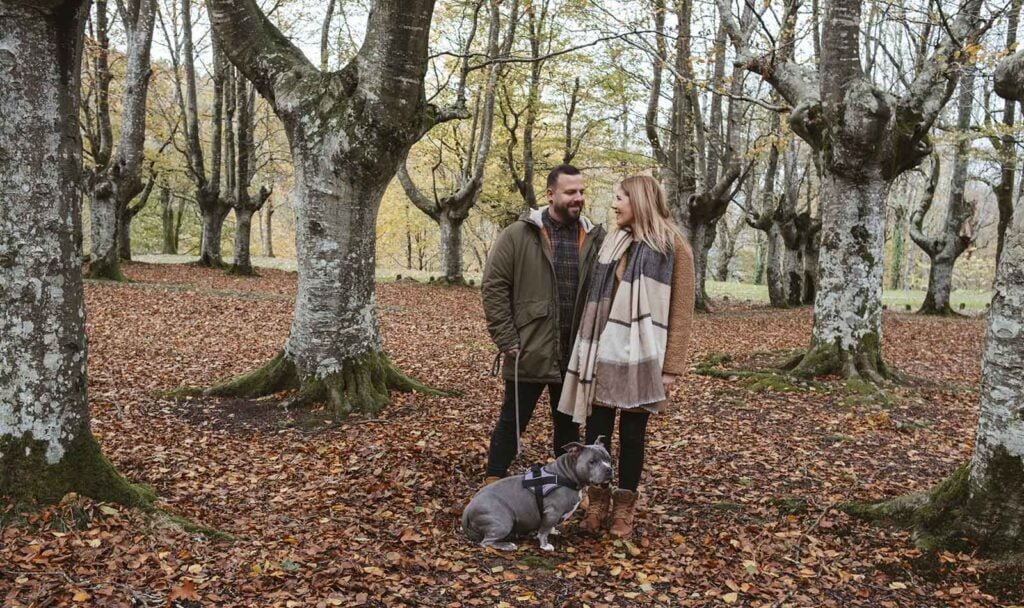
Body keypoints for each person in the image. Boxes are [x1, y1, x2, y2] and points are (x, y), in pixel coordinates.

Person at [558, 175, 695, 538]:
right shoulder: (613, 243)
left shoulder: (674, 247)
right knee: (598, 433)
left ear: (638, 201)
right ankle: (596, 503)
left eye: (619, 198)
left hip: (642, 360)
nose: (614, 204)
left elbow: (681, 313)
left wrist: (672, 368)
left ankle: (623, 510)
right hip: (604, 356)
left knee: (633, 436)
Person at [480, 164, 607, 485]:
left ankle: (563, 486)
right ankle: (492, 483)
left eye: (581, 192)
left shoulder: (594, 237)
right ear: (550, 194)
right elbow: (494, 287)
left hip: (576, 350)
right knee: (512, 420)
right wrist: (506, 337)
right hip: (530, 346)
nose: (578, 198)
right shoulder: (518, 234)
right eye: (570, 192)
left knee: (568, 427)